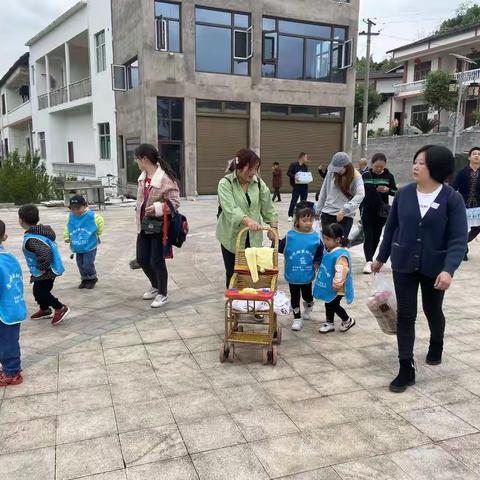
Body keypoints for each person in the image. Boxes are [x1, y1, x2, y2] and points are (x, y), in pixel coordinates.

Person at [372, 145, 467, 393]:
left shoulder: (452, 199)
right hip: (403, 263)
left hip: (435, 267)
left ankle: (437, 342)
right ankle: (406, 366)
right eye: (415, 161)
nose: (416, 166)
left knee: (432, 309)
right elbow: (391, 228)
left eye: (422, 163)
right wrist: (380, 257)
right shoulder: (403, 194)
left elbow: (458, 239)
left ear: (436, 167)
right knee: (405, 315)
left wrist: (449, 270)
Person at [217, 149, 278, 288]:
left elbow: (268, 207)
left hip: (253, 236)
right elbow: (230, 209)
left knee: (251, 272)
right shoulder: (225, 183)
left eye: (256, 168)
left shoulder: (259, 184)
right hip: (231, 237)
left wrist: (273, 226)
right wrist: (248, 221)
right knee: (233, 272)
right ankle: (234, 302)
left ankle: (249, 299)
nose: (253, 172)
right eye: (250, 168)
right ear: (239, 167)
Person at [135, 143, 180, 308]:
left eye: (138, 159)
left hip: (159, 226)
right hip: (143, 226)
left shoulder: (165, 178)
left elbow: (175, 202)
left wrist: (158, 208)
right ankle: (155, 285)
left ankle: (163, 293)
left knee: (157, 260)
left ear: (144, 159)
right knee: (142, 258)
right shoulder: (143, 177)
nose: (137, 163)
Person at [18, 204, 69, 326]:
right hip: (44, 270)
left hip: (46, 271)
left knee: (42, 292)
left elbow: (45, 253)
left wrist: (42, 268)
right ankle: (45, 309)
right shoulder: (39, 233)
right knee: (38, 291)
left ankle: (60, 308)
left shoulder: (32, 239)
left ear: (21, 220)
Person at [279, 202, 323, 331]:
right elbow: (279, 247)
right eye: (304, 220)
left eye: (310, 220)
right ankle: (297, 318)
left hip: (307, 275)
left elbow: (320, 252)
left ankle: (309, 305)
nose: (308, 223)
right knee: (294, 297)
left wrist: (317, 262)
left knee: (307, 295)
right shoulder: (289, 236)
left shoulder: (315, 237)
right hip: (293, 274)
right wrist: (273, 243)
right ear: (297, 221)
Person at [313, 223, 355, 334]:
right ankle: (329, 323)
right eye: (324, 238)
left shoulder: (340, 254)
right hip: (331, 285)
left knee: (333, 304)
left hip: (338, 287)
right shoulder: (329, 250)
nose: (325, 241)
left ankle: (347, 320)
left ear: (337, 239)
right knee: (328, 302)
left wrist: (337, 284)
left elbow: (342, 270)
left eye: (327, 239)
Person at [0, 220, 27, 386]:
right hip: (13, 306)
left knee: (7, 342)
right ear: (4, 237)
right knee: (8, 340)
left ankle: (12, 372)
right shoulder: (9, 258)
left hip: (5, 311)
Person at [361, 153, 397, 274]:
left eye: (381, 167)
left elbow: (395, 192)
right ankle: (368, 261)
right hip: (367, 209)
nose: (378, 169)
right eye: (376, 166)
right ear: (372, 164)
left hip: (381, 212)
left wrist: (388, 190)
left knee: (376, 236)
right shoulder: (367, 175)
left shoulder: (389, 176)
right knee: (368, 235)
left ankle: (370, 259)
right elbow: (361, 191)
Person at [315, 152, 365, 239]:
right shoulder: (331, 172)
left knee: (340, 245)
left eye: (339, 169)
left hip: (344, 217)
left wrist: (345, 210)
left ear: (347, 166)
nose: (337, 171)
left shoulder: (356, 176)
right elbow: (324, 191)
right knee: (327, 245)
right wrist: (318, 210)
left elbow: (361, 194)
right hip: (327, 214)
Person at [64, 195, 104, 289]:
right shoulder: (71, 217)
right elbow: (68, 227)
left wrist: (97, 233)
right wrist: (67, 236)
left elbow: (100, 222)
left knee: (87, 263)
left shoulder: (92, 216)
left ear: (85, 205)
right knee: (80, 263)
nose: (75, 211)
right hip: (78, 245)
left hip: (90, 245)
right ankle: (84, 278)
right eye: (72, 208)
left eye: (78, 208)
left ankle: (92, 278)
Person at [451, 146, 480, 261]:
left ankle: (462, 244)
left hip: (478, 206)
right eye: (474, 154)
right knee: (463, 229)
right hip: (464, 206)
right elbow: (453, 187)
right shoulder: (462, 173)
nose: (477, 156)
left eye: (479, 154)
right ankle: (463, 250)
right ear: (469, 157)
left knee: (477, 228)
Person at [287, 152, 310, 221]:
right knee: (294, 201)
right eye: (306, 157)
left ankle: (302, 215)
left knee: (303, 201)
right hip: (296, 187)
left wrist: (309, 178)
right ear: (302, 157)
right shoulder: (293, 165)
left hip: (304, 186)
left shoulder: (305, 166)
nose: (306, 159)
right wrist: (294, 176)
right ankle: (290, 215)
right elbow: (288, 173)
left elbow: (306, 175)